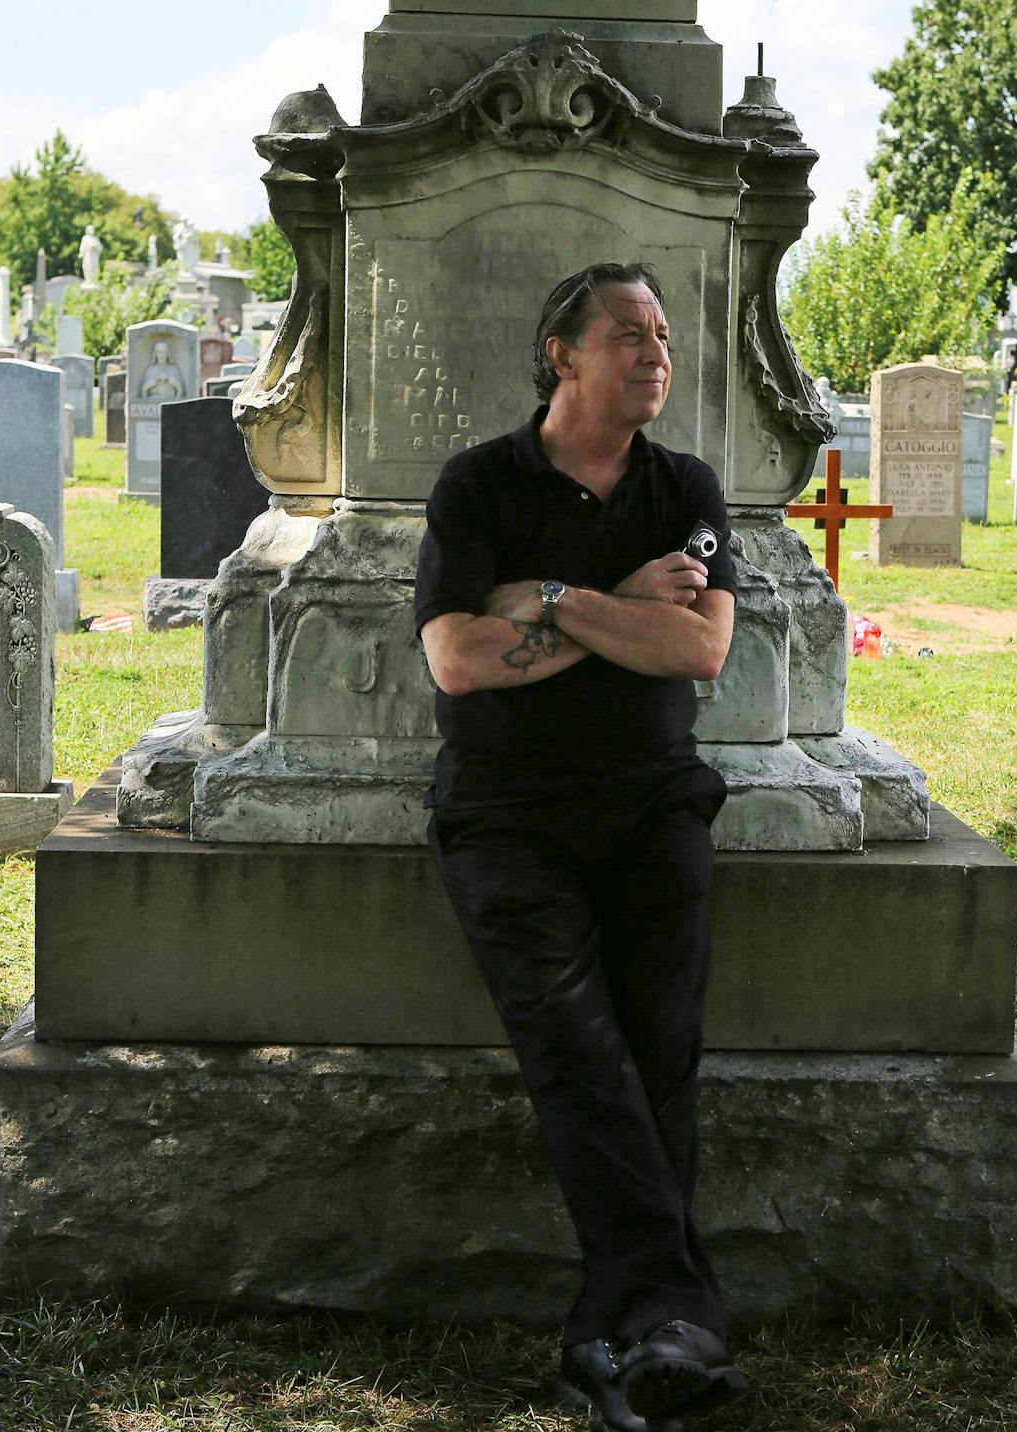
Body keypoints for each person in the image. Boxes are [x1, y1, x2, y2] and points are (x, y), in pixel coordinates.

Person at [414, 263, 748, 1430]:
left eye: (661, 334)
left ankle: (623, 1336)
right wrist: (617, 603)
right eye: (629, 335)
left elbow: (700, 652)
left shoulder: (687, 488)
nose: (657, 352)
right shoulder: (481, 485)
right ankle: (673, 1320)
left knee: (659, 1053)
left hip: (655, 804)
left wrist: (548, 598)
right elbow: (456, 658)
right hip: (507, 813)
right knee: (575, 1045)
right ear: (562, 356)